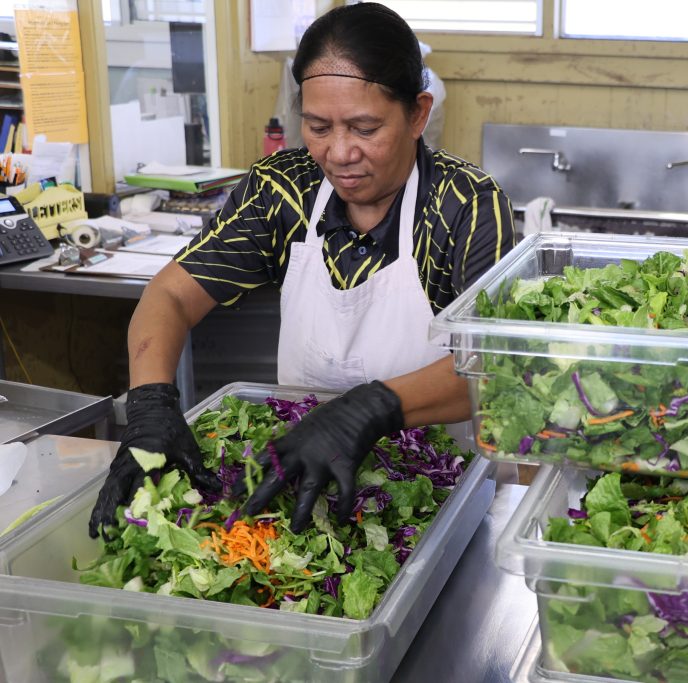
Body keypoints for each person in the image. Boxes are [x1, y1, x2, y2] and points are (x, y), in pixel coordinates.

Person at [88, 3, 516, 538]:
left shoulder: (464, 204)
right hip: (297, 487)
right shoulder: (284, 191)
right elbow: (170, 295)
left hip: (433, 497)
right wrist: (150, 404)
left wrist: (369, 409)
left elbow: (498, 369)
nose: (339, 153)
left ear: (417, 114)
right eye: (317, 127)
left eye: (365, 128)